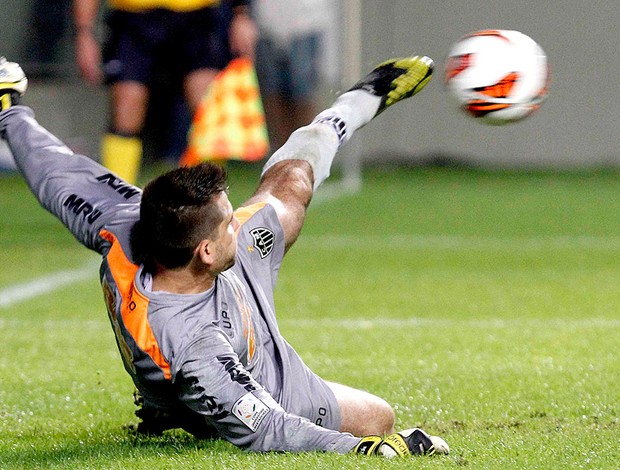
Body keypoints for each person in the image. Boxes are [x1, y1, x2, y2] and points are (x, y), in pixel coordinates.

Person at [0, 55, 448, 456]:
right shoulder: (195, 348)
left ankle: (359, 99)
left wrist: (11, 111)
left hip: (215, 291)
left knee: (289, 184)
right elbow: (266, 427)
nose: (241, 221)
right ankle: (178, 410)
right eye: (229, 221)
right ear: (208, 249)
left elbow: (58, 174)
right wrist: (365, 450)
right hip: (263, 377)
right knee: (379, 418)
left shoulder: (128, 222)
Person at [73, 0, 258, 184]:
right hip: (132, 17)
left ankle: (208, 198)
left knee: (207, 111)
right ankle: (118, 197)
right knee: (126, 108)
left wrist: (240, 14)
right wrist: (84, 32)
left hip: (197, 15)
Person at [253, 0, 333, 150]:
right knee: (272, 89)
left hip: (306, 19)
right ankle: (282, 153)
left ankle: (307, 150)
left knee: (302, 89)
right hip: (265, 20)